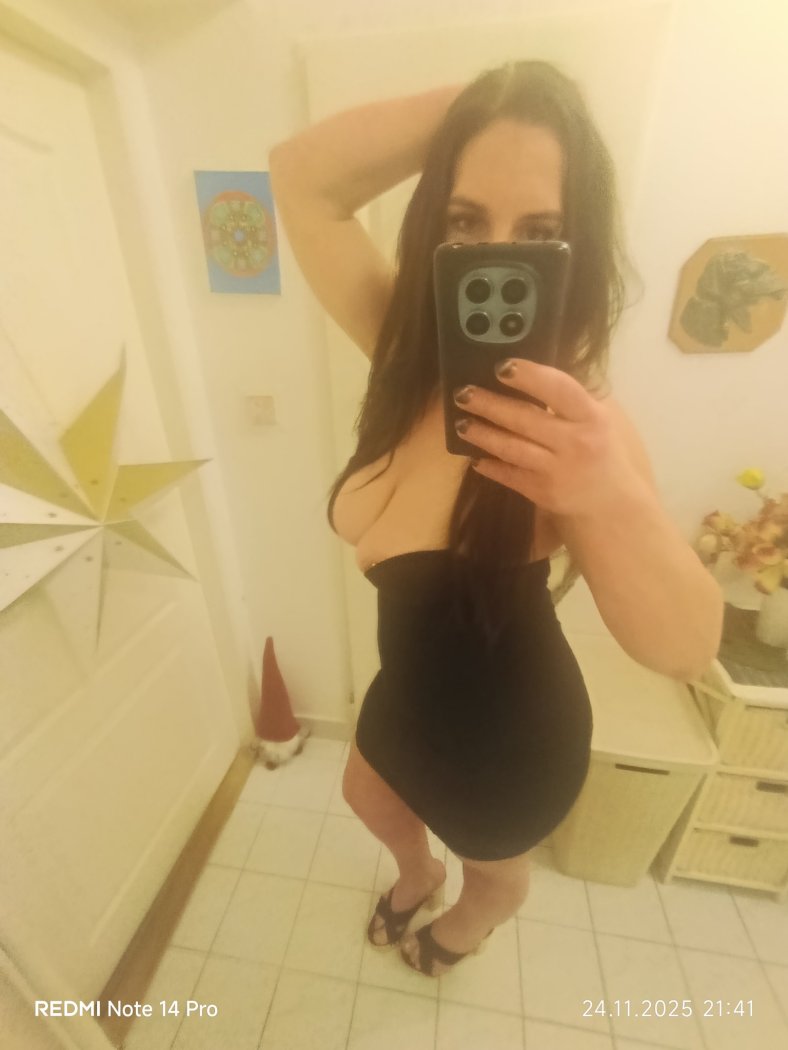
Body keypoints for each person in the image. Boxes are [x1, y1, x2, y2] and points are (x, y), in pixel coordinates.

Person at [269, 61, 723, 978]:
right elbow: (300, 176)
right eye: (466, 221)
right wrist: (490, 101)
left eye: (540, 233)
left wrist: (604, 491)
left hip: (508, 739)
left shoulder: (575, 429)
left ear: (576, 250)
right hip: (408, 693)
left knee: (495, 870)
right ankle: (416, 874)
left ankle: (477, 916)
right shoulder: (404, 355)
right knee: (366, 794)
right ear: (432, 224)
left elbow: (686, 648)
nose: (495, 257)